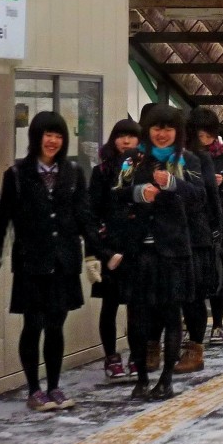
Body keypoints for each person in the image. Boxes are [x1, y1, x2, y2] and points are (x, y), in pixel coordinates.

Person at [0, 111, 104, 412]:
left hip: (64, 261)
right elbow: (2, 219)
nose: (53, 141)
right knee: (33, 324)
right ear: (36, 137)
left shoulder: (74, 173)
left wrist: (98, 251)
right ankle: (34, 390)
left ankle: (54, 387)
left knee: (55, 325)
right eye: (48, 134)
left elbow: (84, 216)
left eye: (58, 135)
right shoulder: (16, 175)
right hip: (30, 262)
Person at [118, 104, 202, 401]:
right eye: (157, 128)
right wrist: (139, 193)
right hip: (138, 250)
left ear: (178, 132)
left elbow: (200, 197)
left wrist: (174, 185)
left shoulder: (186, 160)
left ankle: (166, 379)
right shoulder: (134, 159)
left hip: (173, 251)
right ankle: (141, 377)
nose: (162, 134)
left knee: (171, 315)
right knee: (137, 317)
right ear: (148, 130)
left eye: (168, 129)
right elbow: (115, 195)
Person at [87, 118, 141, 380]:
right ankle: (111, 357)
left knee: (137, 306)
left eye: (131, 136)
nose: (126, 141)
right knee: (109, 305)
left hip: (138, 246)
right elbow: (92, 211)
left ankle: (137, 355)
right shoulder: (101, 171)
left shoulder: (145, 168)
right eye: (121, 136)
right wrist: (98, 249)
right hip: (111, 247)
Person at [186, 107, 223, 344]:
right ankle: (192, 327)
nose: (205, 140)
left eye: (209, 135)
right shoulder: (184, 156)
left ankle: (217, 324)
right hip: (191, 223)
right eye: (200, 135)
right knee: (192, 278)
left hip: (214, 221)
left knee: (216, 274)